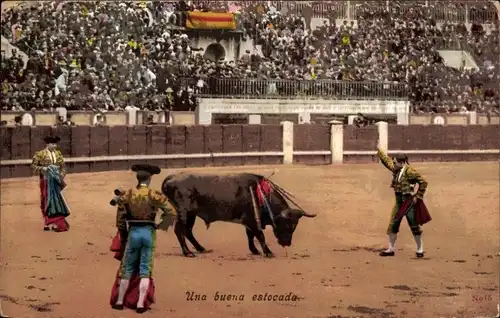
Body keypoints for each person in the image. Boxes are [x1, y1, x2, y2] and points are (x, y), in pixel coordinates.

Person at [110, 164, 177, 313]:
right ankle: (140, 304)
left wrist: (124, 235)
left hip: (133, 232)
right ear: (150, 179)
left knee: (126, 268)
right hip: (148, 232)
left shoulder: (127, 194)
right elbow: (171, 212)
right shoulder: (154, 194)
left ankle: (120, 301)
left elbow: (120, 218)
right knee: (145, 269)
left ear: (137, 178)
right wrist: (162, 225)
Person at [376, 146, 432, 258]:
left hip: (408, 201)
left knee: (414, 225)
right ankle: (391, 249)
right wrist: (378, 150)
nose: (393, 164)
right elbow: (387, 162)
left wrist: (418, 196)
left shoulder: (410, 171)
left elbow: (423, 182)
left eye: (395, 162)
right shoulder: (396, 169)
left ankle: (420, 249)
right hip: (398, 202)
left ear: (401, 163)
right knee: (393, 224)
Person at [30, 136, 70, 232]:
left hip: (56, 181)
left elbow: (63, 167)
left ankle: (55, 222)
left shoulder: (58, 154)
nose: (54, 146)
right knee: (45, 200)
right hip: (45, 180)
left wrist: (60, 176)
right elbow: (33, 167)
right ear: (47, 144)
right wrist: (43, 169)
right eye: (52, 144)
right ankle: (46, 222)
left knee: (56, 201)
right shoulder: (40, 154)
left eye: (55, 144)